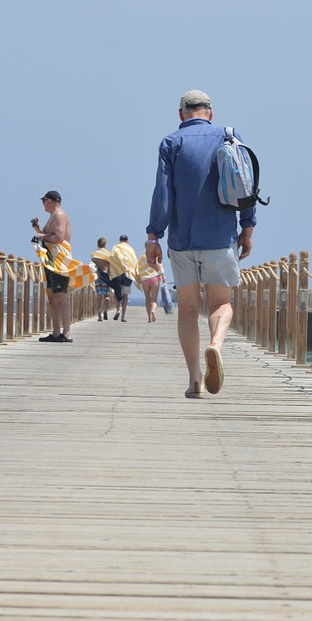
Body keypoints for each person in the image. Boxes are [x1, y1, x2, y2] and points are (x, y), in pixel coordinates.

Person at [145, 89, 256, 398]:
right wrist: (247, 227)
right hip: (220, 237)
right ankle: (215, 344)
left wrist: (154, 234)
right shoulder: (228, 136)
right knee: (221, 304)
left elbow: (163, 194)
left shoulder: (171, 143)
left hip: (182, 240)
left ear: (181, 114)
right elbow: (245, 184)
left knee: (188, 310)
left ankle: (195, 378)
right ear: (210, 111)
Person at [31, 190, 73, 342]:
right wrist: (38, 229)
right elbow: (50, 236)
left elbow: (59, 238)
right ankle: (56, 332)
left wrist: (42, 236)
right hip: (51, 260)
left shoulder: (59, 215)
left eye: (43, 201)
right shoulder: (53, 217)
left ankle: (67, 333)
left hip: (59, 262)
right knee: (52, 296)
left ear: (49, 200)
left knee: (60, 296)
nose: (42, 204)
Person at [109, 234, 140, 322]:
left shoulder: (116, 247)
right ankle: (123, 316)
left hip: (117, 273)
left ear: (120, 240)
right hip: (127, 274)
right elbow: (134, 261)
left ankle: (118, 310)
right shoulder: (130, 249)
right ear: (127, 240)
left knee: (117, 292)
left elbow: (112, 258)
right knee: (125, 295)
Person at [138, 249, 163, 323]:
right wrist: (163, 277)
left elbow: (138, 267)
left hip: (145, 279)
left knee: (147, 299)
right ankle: (153, 310)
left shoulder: (142, 256)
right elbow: (160, 268)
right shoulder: (155, 256)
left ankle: (149, 318)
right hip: (154, 278)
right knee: (154, 299)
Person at [91, 237, 112, 320]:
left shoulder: (94, 254)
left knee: (99, 295)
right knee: (107, 295)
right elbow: (111, 266)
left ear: (97, 244)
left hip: (98, 275)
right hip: (106, 275)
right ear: (105, 245)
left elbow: (93, 265)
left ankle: (99, 315)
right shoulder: (108, 254)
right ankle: (105, 310)